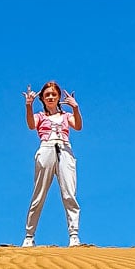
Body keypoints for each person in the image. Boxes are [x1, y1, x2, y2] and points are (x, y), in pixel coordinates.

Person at [21, 81, 84, 247]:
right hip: (46, 149)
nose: (50, 97)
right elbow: (31, 125)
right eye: (47, 94)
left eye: (54, 94)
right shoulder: (40, 116)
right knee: (39, 195)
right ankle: (29, 236)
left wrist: (76, 108)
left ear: (58, 97)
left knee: (69, 194)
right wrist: (28, 105)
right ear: (42, 97)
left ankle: (74, 235)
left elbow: (78, 126)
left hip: (65, 149)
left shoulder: (65, 116)